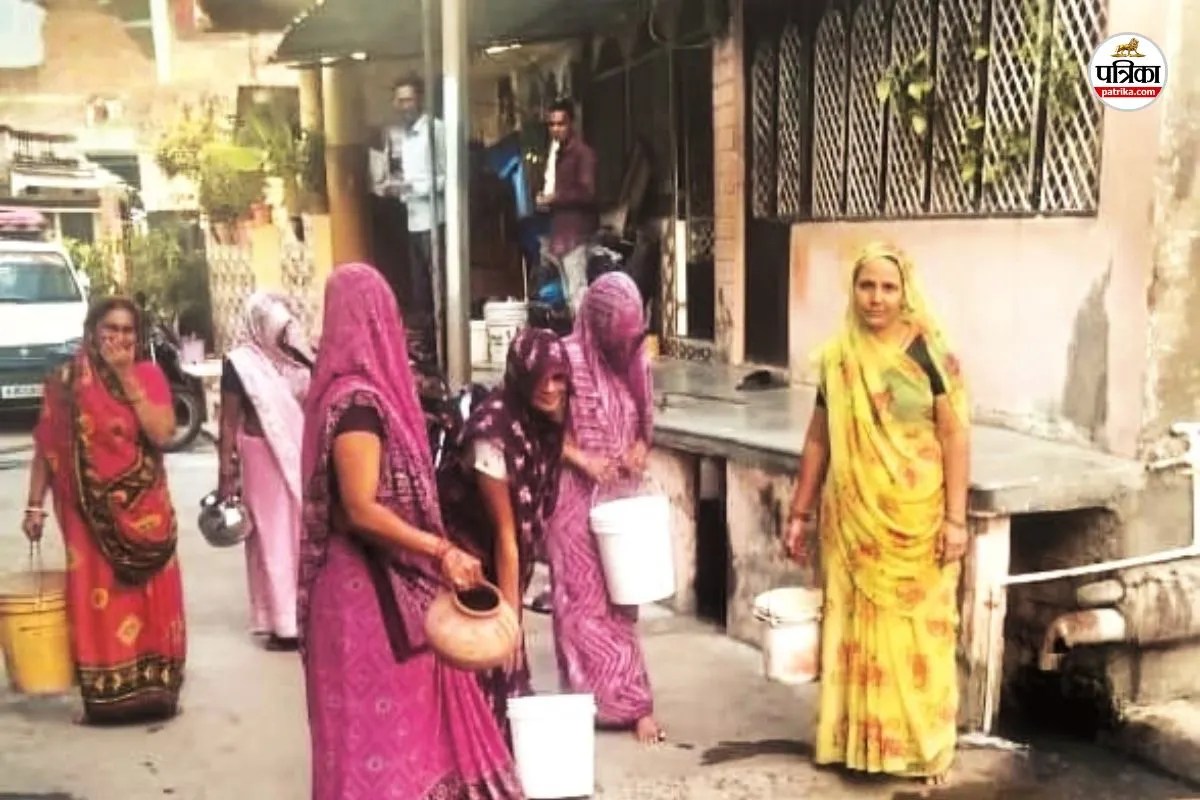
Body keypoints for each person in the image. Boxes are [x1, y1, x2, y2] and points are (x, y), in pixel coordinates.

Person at [300, 263, 521, 800]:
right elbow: (358, 509)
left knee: (399, 731)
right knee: (373, 736)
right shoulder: (355, 404)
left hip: (377, 592)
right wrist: (441, 552)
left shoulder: (348, 396)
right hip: (365, 601)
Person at [784, 241, 970, 786]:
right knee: (856, 631)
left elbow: (955, 435)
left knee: (919, 634)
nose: (877, 298)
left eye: (888, 287)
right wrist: (799, 512)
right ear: (854, 289)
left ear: (905, 290)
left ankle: (923, 748)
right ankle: (856, 745)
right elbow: (819, 438)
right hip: (852, 521)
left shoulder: (930, 354)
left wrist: (956, 520)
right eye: (867, 285)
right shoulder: (839, 357)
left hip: (917, 520)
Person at [23, 296, 185, 725]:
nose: (119, 337)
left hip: (147, 514)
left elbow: (163, 434)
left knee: (152, 600)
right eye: (110, 328)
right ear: (92, 330)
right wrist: (34, 504)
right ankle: (107, 697)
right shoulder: (65, 382)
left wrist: (126, 377)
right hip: (88, 520)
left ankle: (157, 691)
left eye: (128, 330)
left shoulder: (149, 376)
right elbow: (46, 448)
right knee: (100, 600)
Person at [545, 272, 664, 744]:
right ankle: (599, 702)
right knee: (580, 604)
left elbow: (645, 418)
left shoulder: (634, 359)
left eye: (631, 337)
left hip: (619, 501)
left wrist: (639, 447)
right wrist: (583, 459)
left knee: (620, 603)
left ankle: (626, 698)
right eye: (616, 337)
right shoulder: (564, 360)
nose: (624, 347)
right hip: (573, 500)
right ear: (596, 324)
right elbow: (541, 429)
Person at [438, 327, 571, 722]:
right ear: (520, 376)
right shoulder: (492, 437)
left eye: (559, 377)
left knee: (506, 671)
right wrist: (511, 627)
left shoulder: (544, 422)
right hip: (471, 562)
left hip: (506, 559)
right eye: (540, 377)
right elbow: (505, 537)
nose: (550, 388)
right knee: (484, 660)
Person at [218, 292, 313, 651]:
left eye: (286, 329)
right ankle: (281, 623)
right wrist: (227, 472)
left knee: (301, 534)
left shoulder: (299, 361)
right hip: (261, 460)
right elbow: (228, 423)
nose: (284, 337)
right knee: (272, 540)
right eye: (278, 330)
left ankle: (306, 615)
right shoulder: (241, 364)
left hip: (299, 455)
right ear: (260, 329)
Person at [384, 73, 446, 367]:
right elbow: (407, 178)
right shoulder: (403, 137)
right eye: (400, 100)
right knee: (420, 292)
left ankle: (444, 350)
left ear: (420, 99)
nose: (404, 105)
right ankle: (427, 353)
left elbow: (449, 177)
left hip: (436, 222)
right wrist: (395, 188)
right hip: (413, 220)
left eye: (409, 99)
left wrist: (416, 188)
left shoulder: (436, 131)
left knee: (438, 291)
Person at [536, 98, 597, 314]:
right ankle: (579, 343)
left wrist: (555, 198)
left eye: (561, 124)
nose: (556, 129)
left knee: (579, 296)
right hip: (560, 235)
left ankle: (586, 345)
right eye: (552, 124)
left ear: (572, 123)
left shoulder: (582, 154)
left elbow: (587, 192)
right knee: (570, 297)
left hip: (575, 235)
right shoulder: (558, 154)